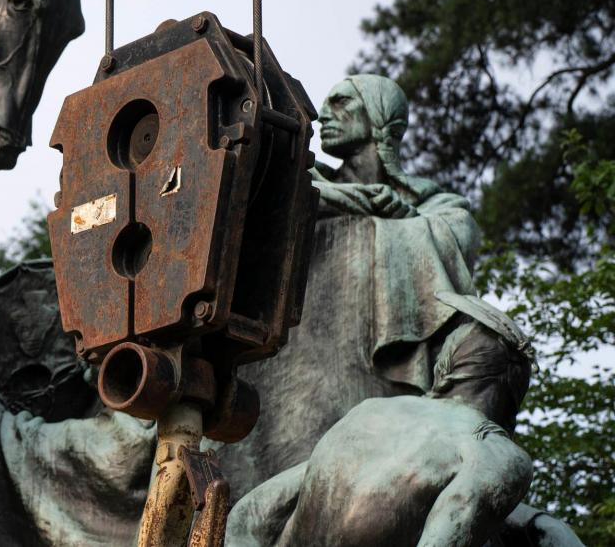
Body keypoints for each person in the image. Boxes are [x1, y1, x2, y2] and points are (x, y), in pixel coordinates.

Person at [222, 74, 484, 493]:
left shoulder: (434, 205)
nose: (324, 115)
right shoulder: (302, 181)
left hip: (374, 377)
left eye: (342, 103)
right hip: (291, 366)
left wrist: (380, 218)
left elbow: (456, 235)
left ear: (381, 118)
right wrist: (354, 203)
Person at [226, 316, 538, 547]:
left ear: (447, 366)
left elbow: (247, 516)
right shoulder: (496, 455)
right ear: (513, 391)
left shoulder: (370, 411)